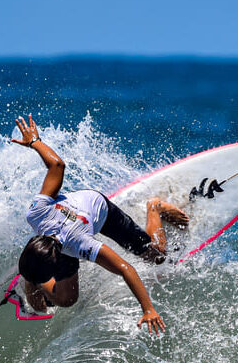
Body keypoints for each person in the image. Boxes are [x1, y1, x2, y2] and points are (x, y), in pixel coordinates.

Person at [11, 115, 189, 334]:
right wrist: (34, 142)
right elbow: (56, 165)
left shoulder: (81, 244)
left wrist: (148, 309)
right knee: (66, 300)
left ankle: (155, 207)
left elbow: (125, 268)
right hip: (72, 216)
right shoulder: (36, 213)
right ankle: (32, 279)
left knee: (157, 256)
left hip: (100, 210)